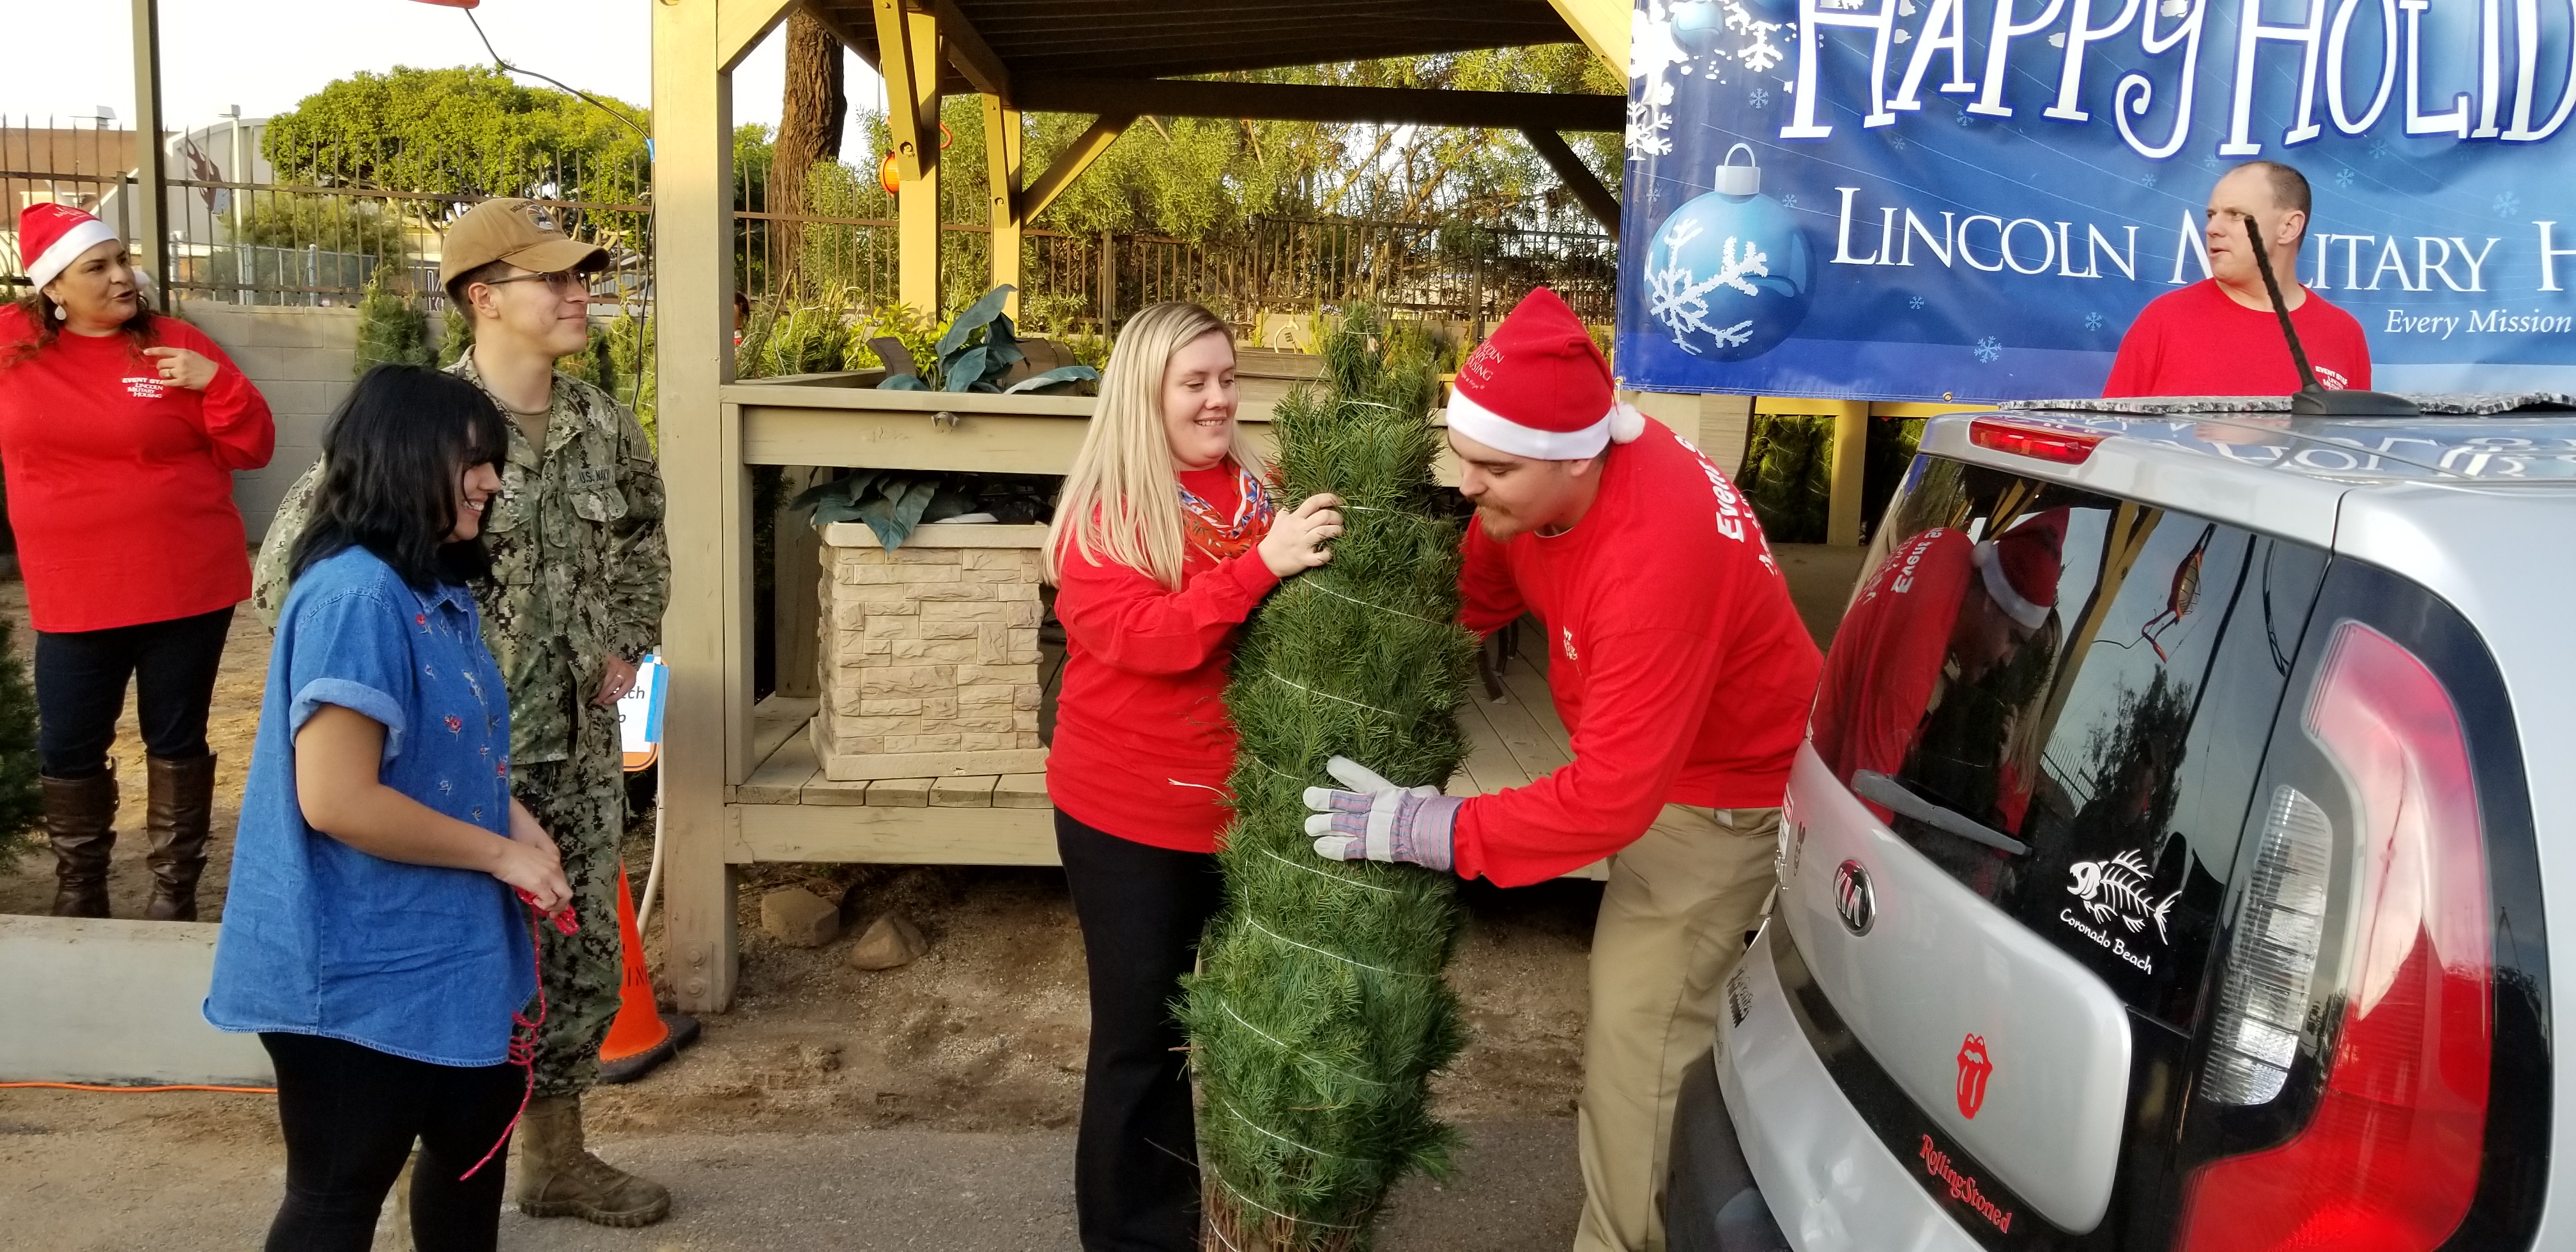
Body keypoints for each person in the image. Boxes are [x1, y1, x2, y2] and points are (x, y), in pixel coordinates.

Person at [1301, 288, 1821, 1252]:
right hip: (1672, 763)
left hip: (1721, 798)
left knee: (1640, 1040)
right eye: (1463, 452)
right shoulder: (1531, 494)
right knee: (1703, 1023)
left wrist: (1437, 831)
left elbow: (1611, 800)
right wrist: (1373, 667)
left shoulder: (1652, 560)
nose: (1466, 482)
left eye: (1490, 465)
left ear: (1580, 456)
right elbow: (1481, 585)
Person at [250, 198, 671, 1227]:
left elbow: (646, 544)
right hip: (444, 770)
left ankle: (553, 1158)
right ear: (481, 297)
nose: (582, 295)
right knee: (443, 979)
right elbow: (290, 571)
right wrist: (409, 677)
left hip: (568, 753)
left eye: (585, 278)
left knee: (575, 967)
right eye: (555, 279)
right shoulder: (420, 429)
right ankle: (392, 1173)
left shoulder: (601, 424)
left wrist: (624, 641)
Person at [205, 364, 572, 1252]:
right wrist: (499, 857)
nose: (491, 481)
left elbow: (448, 757)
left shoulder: (432, 594)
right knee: (340, 1194)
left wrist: (516, 824)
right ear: (407, 458)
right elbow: (338, 799)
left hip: (448, 957)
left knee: (468, 1163)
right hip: (357, 969)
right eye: (474, 461)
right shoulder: (355, 596)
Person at [1043, 301, 1342, 1251]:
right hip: (1129, 818)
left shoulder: (1256, 486)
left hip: (1244, 806)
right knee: (1144, 1043)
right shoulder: (1107, 515)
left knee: (1237, 1028)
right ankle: (1135, 1239)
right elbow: (1151, 640)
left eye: (1226, 378)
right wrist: (1261, 566)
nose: (1218, 400)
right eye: (1194, 383)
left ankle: (1229, 1217)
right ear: (1146, 393)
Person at [0, 203, 275, 920]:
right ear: (53, 286)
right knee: (67, 743)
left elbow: (253, 448)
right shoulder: (10, 347)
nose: (123, 277)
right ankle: (79, 890)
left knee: (176, 737)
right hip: (73, 592)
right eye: (98, 267)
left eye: (122, 260)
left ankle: (173, 893)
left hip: (186, 584)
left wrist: (213, 382)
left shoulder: (177, 344)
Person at [1807, 511, 2066, 825]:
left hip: (1816, 771)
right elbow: (1862, 814)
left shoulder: (1948, 543)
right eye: (2012, 638)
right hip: (1822, 801)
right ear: (1990, 599)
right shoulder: (1912, 665)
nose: (2008, 659)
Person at [2104, 161, 2372, 397]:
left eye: (2235, 215)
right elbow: (2116, 442)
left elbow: (2354, 446)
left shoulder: (2344, 334)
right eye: (2211, 215)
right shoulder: (2163, 321)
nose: (2212, 229)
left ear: (2289, 227)